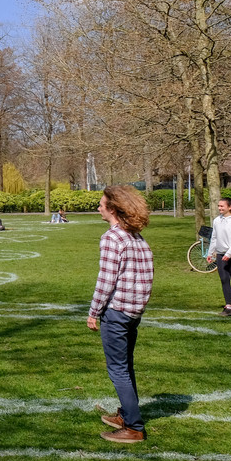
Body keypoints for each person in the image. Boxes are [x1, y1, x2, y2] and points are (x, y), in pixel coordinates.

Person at [87, 185, 154, 444]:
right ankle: (128, 414)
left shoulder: (112, 237)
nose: (98, 208)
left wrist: (94, 312)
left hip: (117, 312)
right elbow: (147, 276)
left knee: (118, 369)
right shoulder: (136, 237)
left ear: (113, 209)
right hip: (133, 312)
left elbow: (106, 280)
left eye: (101, 204)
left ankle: (134, 427)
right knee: (125, 366)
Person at [207, 197, 231, 316]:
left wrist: (229, 254)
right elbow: (214, 238)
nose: (219, 208)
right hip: (220, 254)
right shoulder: (217, 220)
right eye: (218, 206)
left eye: (222, 206)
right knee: (224, 279)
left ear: (230, 207)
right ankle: (228, 305)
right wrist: (210, 252)